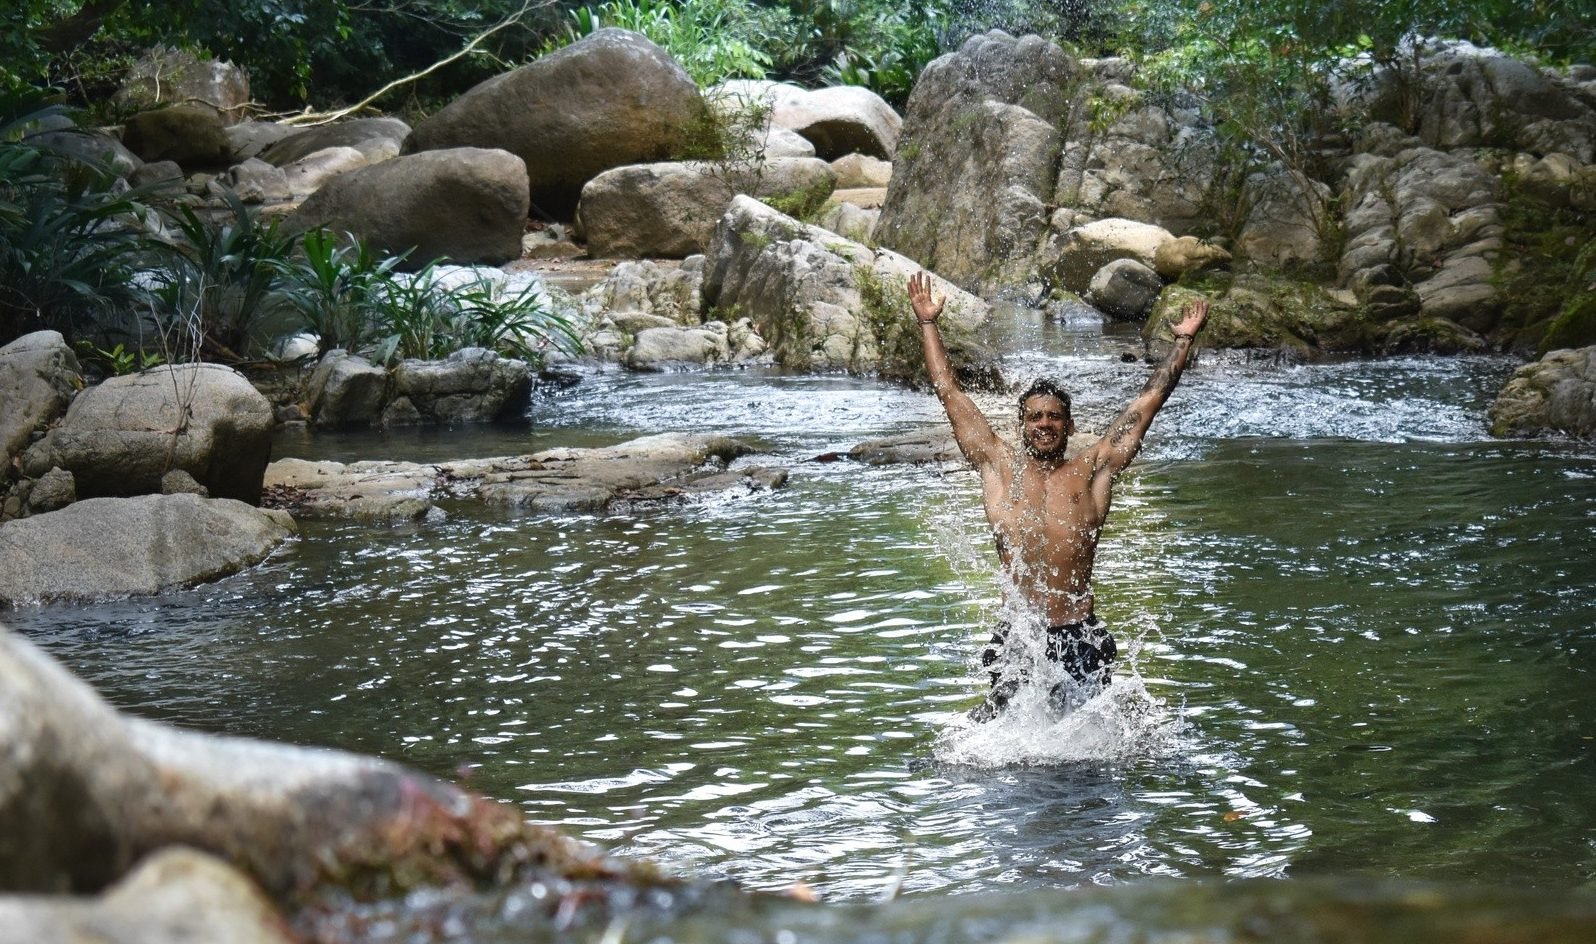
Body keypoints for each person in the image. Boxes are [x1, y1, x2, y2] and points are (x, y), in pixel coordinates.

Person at [906, 270, 1208, 720]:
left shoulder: (1093, 470)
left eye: (1053, 417)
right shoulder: (998, 466)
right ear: (1021, 425)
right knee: (1003, 752)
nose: (1043, 425)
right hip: (1019, 635)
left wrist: (1182, 342)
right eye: (1034, 417)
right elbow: (948, 391)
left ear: (1068, 425)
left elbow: (1147, 402)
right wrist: (928, 324)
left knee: (1089, 761)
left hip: (1078, 634)